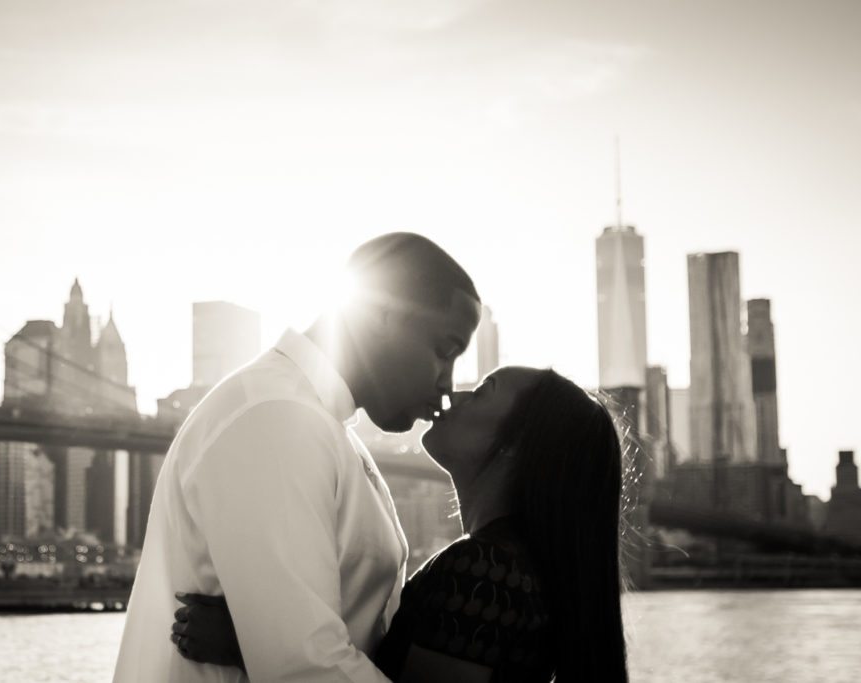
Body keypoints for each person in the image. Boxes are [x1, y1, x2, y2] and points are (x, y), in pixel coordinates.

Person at [113, 232, 483, 681]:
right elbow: (307, 670)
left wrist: (250, 638)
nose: (446, 386)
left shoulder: (316, 422)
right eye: (444, 351)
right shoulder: (276, 416)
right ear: (382, 315)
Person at [173, 366, 631, 682]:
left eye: (485, 389)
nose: (457, 392)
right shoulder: (514, 567)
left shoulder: (484, 572)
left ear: (519, 445)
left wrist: (248, 644)